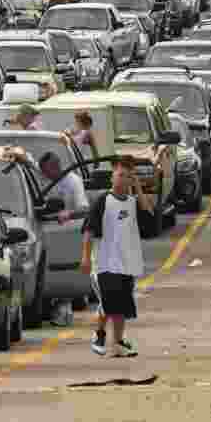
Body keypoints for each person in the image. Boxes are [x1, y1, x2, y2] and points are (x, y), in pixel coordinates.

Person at [81, 156, 155, 357]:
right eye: (120, 175)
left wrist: (138, 186)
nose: (123, 180)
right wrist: (86, 258)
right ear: (112, 176)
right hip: (105, 263)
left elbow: (148, 216)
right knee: (110, 302)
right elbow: (88, 230)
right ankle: (100, 335)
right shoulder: (103, 201)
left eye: (128, 176)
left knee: (121, 305)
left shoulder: (132, 202)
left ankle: (118, 342)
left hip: (126, 263)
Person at [40, 150, 90, 327]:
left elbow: (84, 209)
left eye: (47, 172)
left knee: (63, 279)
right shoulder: (42, 181)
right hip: (43, 230)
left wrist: (69, 213)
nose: (45, 176)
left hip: (64, 232)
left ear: (56, 167)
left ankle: (63, 308)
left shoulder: (73, 181)